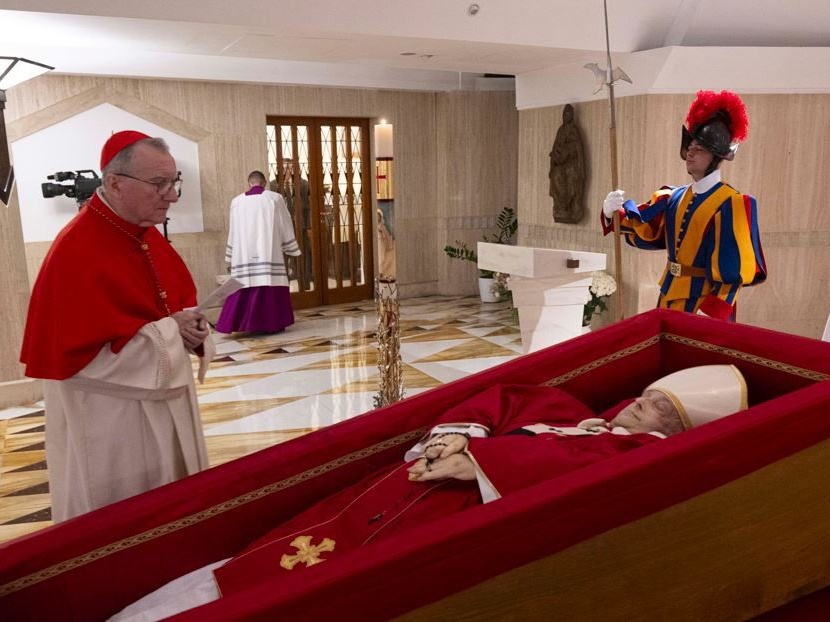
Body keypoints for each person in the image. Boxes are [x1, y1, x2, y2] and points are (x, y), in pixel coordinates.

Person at [110, 364, 747, 621]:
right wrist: (458, 435)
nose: (640, 404)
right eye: (648, 393)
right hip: (409, 485)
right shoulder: (586, 414)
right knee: (275, 550)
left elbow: (584, 470)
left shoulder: (641, 452)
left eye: (660, 408)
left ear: (680, 430)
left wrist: (487, 460)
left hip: (454, 512)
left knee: (313, 585)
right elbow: (513, 396)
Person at [20, 130, 213, 522]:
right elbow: (81, 362)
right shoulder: (75, 250)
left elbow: (173, 308)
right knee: (125, 516)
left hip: (163, 399)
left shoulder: (144, 235)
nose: (172, 196)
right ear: (114, 184)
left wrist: (191, 329)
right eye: (159, 184)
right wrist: (169, 333)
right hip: (111, 416)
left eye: (174, 182)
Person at [601, 90, 767, 320]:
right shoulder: (673, 197)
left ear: (716, 157)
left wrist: (712, 313)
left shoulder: (732, 203)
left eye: (699, 149)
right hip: (668, 297)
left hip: (703, 307)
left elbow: (734, 271)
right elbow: (645, 231)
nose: (690, 153)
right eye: (690, 147)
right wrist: (612, 213)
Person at [216, 170, 301, 334]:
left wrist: (231, 253)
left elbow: (233, 229)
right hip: (268, 250)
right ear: (264, 183)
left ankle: (241, 324)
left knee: (244, 282)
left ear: (249, 183)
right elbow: (285, 223)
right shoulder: (274, 198)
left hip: (244, 253)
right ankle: (271, 323)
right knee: (268, 280)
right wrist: (289, 245)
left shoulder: (236, 202)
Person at [550, 103, 586, 223]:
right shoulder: (561, 130)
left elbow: (577, 148)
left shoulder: (573, 130)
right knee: (556, 174)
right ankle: (561, 207)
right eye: (565, 114)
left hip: (572, 164)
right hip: (561, 163)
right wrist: (556, 154)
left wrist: (568, 151)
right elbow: (556, 146)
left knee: (570, 176)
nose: (566, 117)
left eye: (569, 114)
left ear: (572, 116)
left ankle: (567, 206)